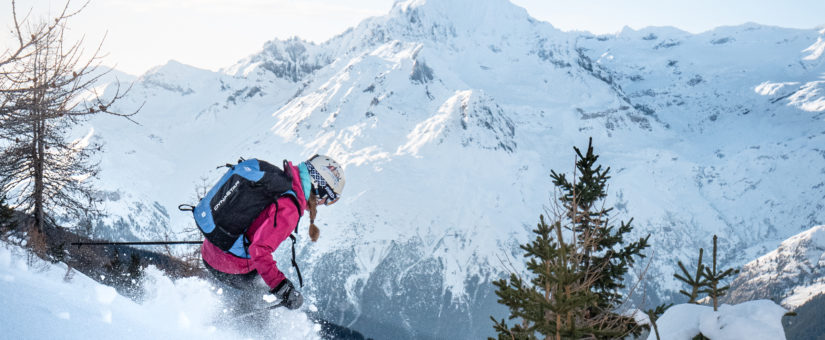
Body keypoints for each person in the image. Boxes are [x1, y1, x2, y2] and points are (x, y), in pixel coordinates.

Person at [201, 154, 345, 311]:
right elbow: (259, 251)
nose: (321, 204)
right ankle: (238, 330)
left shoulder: (278, 179)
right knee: (264, 296)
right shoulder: (290, 208)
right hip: (229, 265)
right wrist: (283, 288)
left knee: (260, 286)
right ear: (318, 186)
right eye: (326, 198)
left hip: (211, 247)